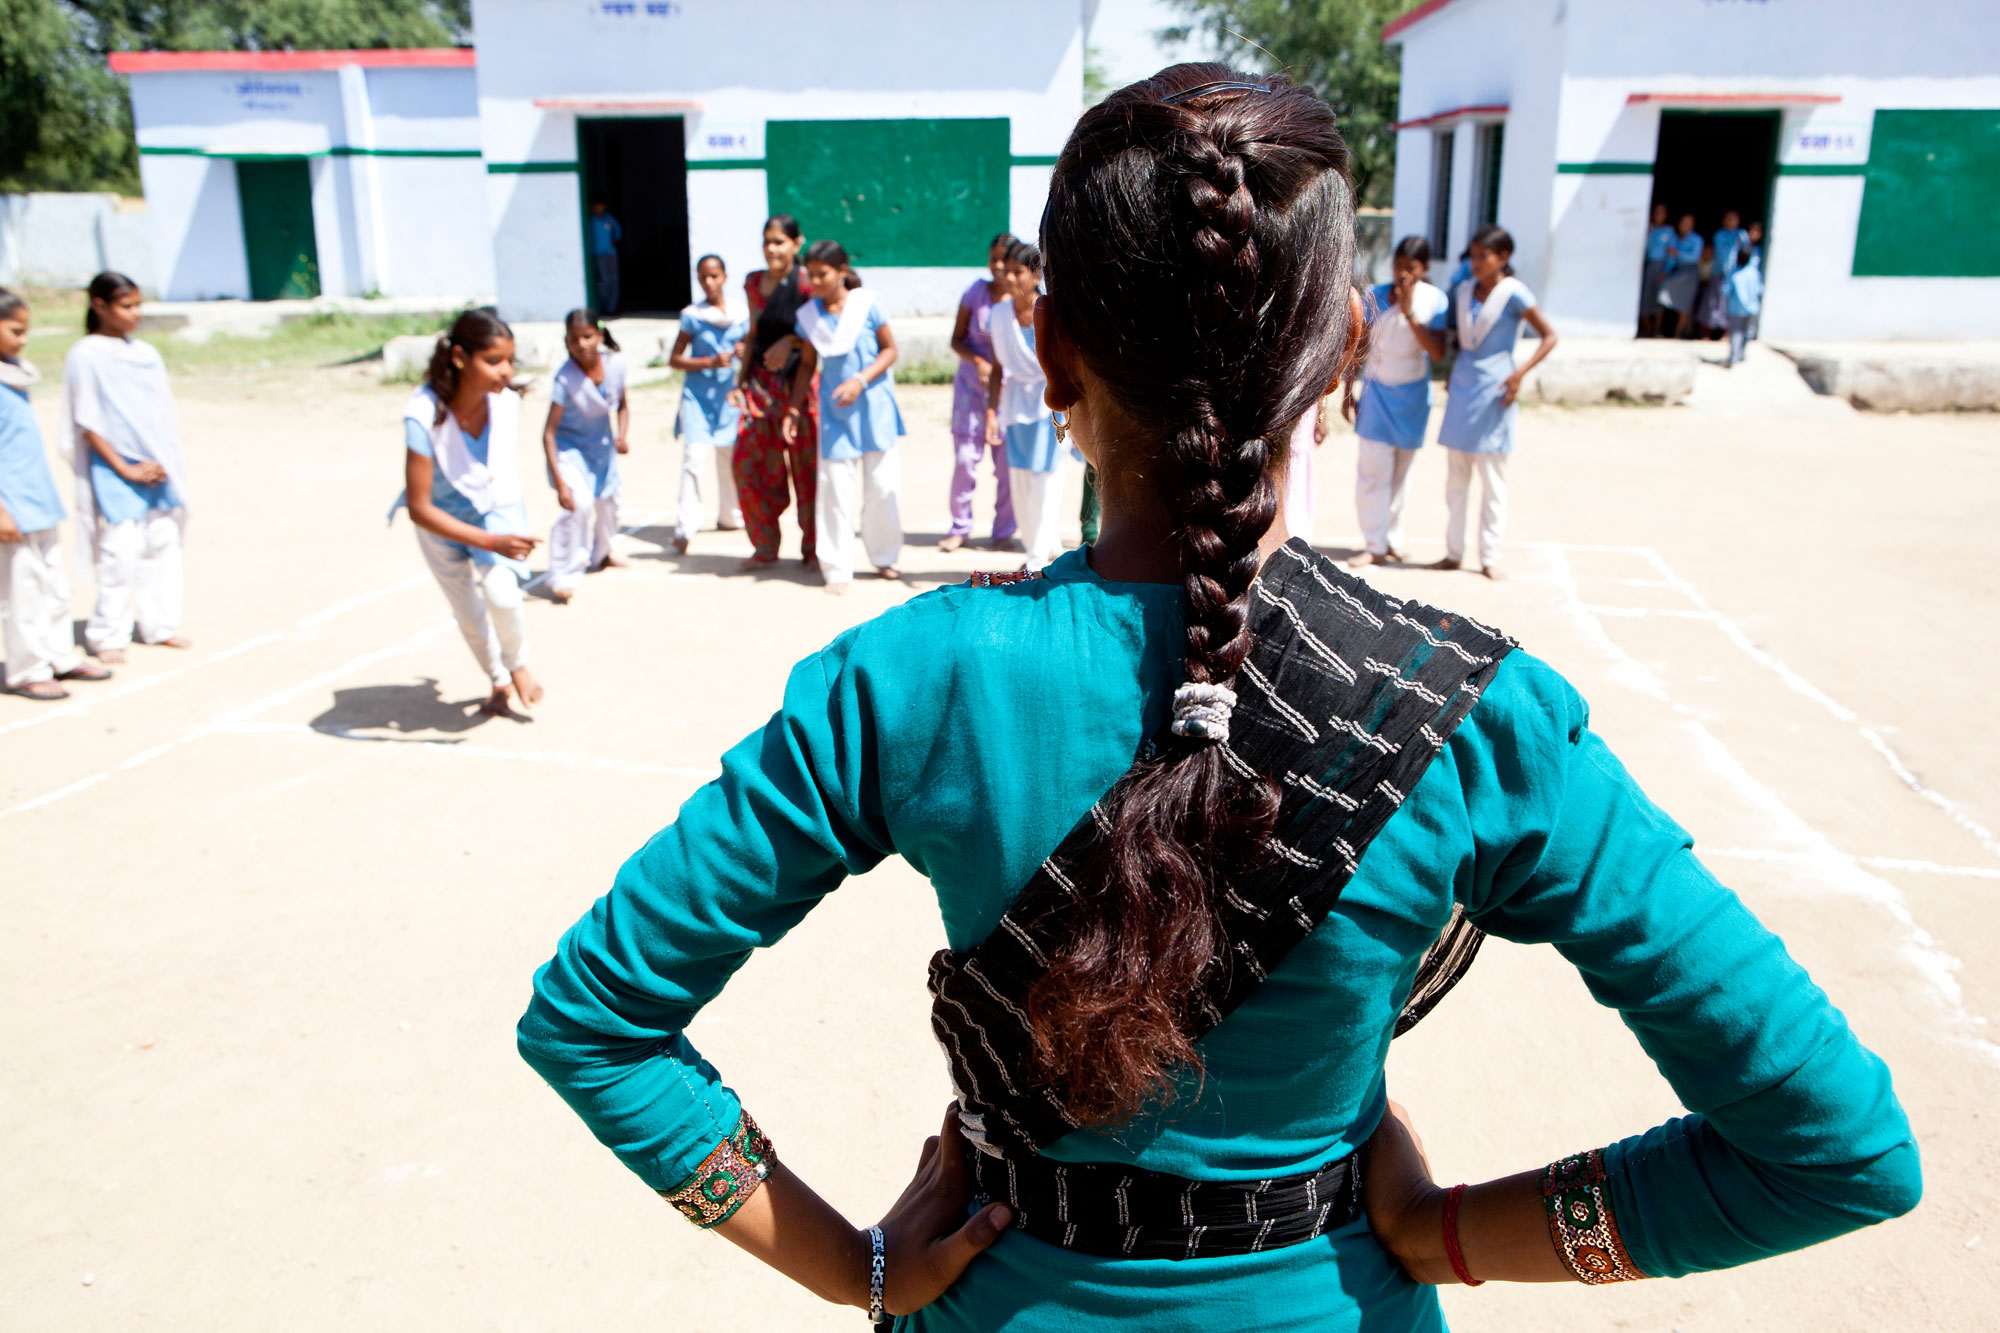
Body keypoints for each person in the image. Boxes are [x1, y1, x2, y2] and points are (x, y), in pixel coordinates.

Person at [518, 64, 1918, 1332]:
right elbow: (1838, 1152)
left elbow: (593, 1020)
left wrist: (853, 1269)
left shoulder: (909, 679)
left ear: (1050, 353)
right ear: (1343, 345)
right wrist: (1448, 1232)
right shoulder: (1481, 720)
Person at [398, 309, 542, 716]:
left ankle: (517, 665)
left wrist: (500, 533)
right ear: (460, 358)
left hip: (492, 509)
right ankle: (498, 680)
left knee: (503, 595)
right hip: (439, 522)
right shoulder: (423, 414)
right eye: (494, 361)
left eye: (510, 360)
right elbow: (419, 507)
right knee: (468, 611)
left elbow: (497, 477)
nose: (506, 371)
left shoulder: (504, 403)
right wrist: (492, 541)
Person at [65, 270, 193, 663]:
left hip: (157, 465)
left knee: (162, 545)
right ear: (99, 306)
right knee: (120, 552)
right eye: (126, 305)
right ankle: (108, 634)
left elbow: (161, 415)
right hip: (115, 467)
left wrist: (163, 461)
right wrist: (124, 467)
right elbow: (86, 421)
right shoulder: (85, 355)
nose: (135, 313)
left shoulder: (146, 355)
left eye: (138, 305)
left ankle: (160, 625)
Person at [0, 289, 112, 699]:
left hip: (37, 499)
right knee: (22, 592)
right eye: (15, 330)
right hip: (11, 507)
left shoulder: (13, 375)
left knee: (54, 586)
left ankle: (59, 655)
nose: (23, 339)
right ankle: (28, 668)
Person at [1431, 225, 1557, 580]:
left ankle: (1489, 556)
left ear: (1502, 257)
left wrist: (1520, 374)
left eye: (1482, 256)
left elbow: (1549, 336)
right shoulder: (1465, 290)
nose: (1475, 263)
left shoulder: (1515, 294)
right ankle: (1453, 552)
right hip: (1465, 385)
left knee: (1492, 480)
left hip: (1497, 390)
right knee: (1456, 478)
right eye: (1472, 256)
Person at [783, 239, 903, 593]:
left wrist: (860, 380)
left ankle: (883, 556)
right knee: (835, 490)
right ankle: (836, 567)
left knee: (882, 487)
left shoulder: (867, 305)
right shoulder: (809, 317)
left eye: (823, 274)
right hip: (836, 415)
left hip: (873, 409)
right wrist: (793, 408)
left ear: (842, 271)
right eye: (811, 275)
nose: (816, 282)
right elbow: (807, 365)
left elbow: (890, 349)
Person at [1347, 236, 1447, 569]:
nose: (1403, 273)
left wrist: (1410, 314)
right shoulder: (1374, 295)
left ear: (1425, 269)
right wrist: (1349, 388)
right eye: (1398, 265)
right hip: (1377, 392)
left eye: (1411, 267)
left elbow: (1437, 352)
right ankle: (1373, 543)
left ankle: (1393, 538)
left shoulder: (1435, 301)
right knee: (1373, 471)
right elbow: (1358, 345)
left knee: (1402, 473)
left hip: (1413, 395)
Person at [732, 214, 817, 572]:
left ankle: (813, 548)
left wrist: (791, 341)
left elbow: (822, 332)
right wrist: (739, 381)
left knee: (807, 471)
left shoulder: (808, 283)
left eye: (779, 241)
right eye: (767, 241)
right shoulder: (753, 283)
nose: (771, 249)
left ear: (797, 244)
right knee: (747, 466)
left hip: (800, 387)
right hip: (760, 389)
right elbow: (753, 333)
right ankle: (764, 544)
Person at [985, 240, 1065, 570]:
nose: (1011, 278)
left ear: (1035, 275)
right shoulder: (1000, 315)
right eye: (1009, 271)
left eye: (1019, 272)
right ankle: (1039, 546)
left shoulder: (1051, 310)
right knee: (1020, 479)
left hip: (1050, 404)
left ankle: (1036, 556)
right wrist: (991, 411)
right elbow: (998, 368)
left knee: (1046, 479)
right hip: (1016, 405)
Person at [541, 308, 628, 603]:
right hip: (570, 451)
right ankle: (563, 574)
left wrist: (622, 435)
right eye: (574, 339)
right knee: (578, 505)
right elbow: (549, 433)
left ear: (599, 336)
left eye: (587, 336)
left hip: (602, 450)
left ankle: (601, 553)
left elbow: (623, 405)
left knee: (610, 506)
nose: (581, 344)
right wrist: (561, 482)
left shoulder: (615, 366)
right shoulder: (565, 379)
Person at [943, 233, 1018, 553]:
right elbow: (955, 339)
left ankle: (1004, 531)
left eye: (1005, 260)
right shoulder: (975, 292)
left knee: (1006, 465)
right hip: (970, 392)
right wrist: (977, 361)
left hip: (1008, 394)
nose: (998, 266)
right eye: (993, 259)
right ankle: (960, 527)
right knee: (964, 460)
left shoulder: (1021, 299)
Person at [668, 254, 747, 553]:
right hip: (697, 397)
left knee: (729, 458)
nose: (709, 282)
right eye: (703, 277)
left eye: (714, 276)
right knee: (694, 458)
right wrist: (708, 362)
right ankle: (685, 527)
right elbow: (674, 359)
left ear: (724, 277)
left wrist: (742, 352)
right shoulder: (692, 316)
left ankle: (730, 515)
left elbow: (750, 352)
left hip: (728, 397)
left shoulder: (740, 314)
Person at [1697, 210, 1747, 337]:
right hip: (1717, 273)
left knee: (1728, 305)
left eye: (1733, 218)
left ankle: (1726, 333)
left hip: (1733, 276)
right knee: (1712, 303)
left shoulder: (1741, 235)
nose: (1731, 221)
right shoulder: (1719, 235)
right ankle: (1706, 333)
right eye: (1728, 218)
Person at [1656, 213, 1702, 339]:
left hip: (1689, 273)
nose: (1684, 226)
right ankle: (1657, 330)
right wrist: (1666, 272)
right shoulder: (1675, 238)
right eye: (1683, 223)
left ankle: (1678, 333)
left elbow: (1694, 257)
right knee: (1663, 294)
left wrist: (1678, 253)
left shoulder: (1696, 239)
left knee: (1685, 303)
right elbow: (1671, 258)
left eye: (1688, 223)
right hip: (1676, 272)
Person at [1638, 203, 1675, 337]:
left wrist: (1666, 270)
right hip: (1649, 266)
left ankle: (1656, 330)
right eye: (1656, 212)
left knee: (1659, 299)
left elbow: (1671, 253)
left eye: (1662, 212)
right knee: (1645, 298)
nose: (1659, 215)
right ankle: (1647, 329)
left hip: (1661, 268)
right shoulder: (1650, 230)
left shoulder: (1668, 231)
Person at [1724, 246, 1763, 368]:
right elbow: (1759, 290)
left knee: (1736, 332)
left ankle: (1733, 357)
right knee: (1747, 332)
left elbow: (1725, 290)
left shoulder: (1734, 274)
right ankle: (1741, 355)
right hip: (1752, 308)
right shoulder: (1754, 274)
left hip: (1735, 308)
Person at [589, 202, 623, 314]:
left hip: (611, 253)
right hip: (598, 254)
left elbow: (618, 230)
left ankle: (611, 308)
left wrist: (614, 240)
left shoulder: (608, 218)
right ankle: (601, 307)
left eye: (601, 205)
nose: (600, 208)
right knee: (603, 280)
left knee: (613, 280)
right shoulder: (590, 221)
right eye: (597, 206)